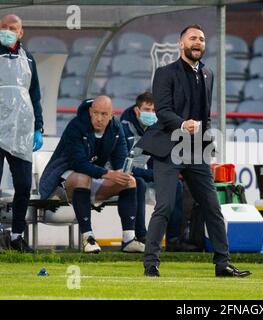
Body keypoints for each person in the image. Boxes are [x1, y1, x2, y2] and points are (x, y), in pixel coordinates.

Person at [137, 24, 251, 277]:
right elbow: (162, 111)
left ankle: (223, 264)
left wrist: (208, 147)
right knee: (164, 206)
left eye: (201, 39)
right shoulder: (165, 73)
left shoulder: (208, 74)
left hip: (196, 150)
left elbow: (205, 116)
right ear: (181, 44)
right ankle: (151, 264)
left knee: (212, 206)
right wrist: (181, 124)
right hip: (168, 147)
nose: (197, 42)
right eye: (192, 38)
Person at [39, 96, 144, 254]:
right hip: (61, 182)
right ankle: (88, 238)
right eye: (95, 113)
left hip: (93, 178)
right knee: (83, 177)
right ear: (90, 112)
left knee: (130, 181)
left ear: (111, 115)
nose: (99, 118)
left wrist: (121, 173)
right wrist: (107, 174)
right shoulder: (76, 126)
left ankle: (129, 239)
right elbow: (78, 163)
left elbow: (120, 161)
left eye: (103, 114)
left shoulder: (115, 128)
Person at [0, 14, 44, 253]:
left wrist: (39, 127)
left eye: (12, 28)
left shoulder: (29, 59)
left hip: (21, 130)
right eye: (3, 27)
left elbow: (35, 95)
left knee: (24, 184)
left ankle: (17, 235)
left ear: (21, 32)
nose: (7, 31)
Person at [120, 92, 184, 246]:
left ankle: (173, 240)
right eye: (147, 109)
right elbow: (123, 165)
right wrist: (154, 174)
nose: (151, 114)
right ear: (137, 110)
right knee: (139, 183)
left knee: (176, 185)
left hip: (147, 174)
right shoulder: (123, 129)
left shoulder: (159, 129)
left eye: (154, 110)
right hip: (125, 176)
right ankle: (142, 236)